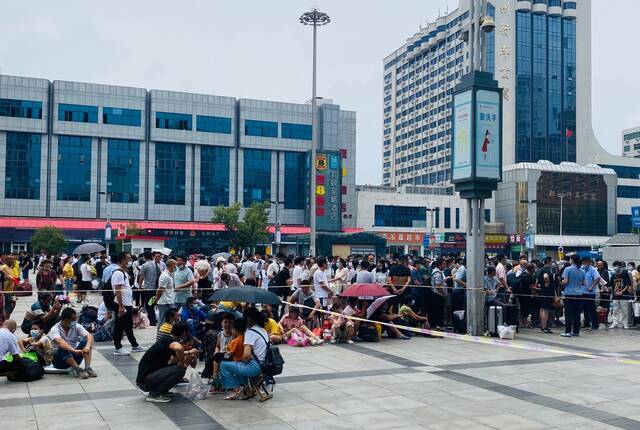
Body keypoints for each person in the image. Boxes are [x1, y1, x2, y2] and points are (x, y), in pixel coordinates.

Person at [136, 321, 199, 403]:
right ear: (184, 333)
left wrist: (189, 353)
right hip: (145, 381)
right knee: (180, 369)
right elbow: (179, 349)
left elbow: (179, 354)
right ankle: (155, 394)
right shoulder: (170, 341)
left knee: (178, 368)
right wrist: (183, 364)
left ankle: (161, 391)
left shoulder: (166, 339)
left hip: (147, 378)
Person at [219, 307, 268, 400]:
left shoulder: (250, 332)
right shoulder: (262, 330)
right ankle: (246, 388)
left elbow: (246, 355)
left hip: (254, 367)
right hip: (264, 365)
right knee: (238, 365)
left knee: (224, 365)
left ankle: (237, 390)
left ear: (248, 319)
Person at [48, 307, 97, 378]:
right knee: (63, 346)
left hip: (74, 357)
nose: (75, 321)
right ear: (65, 320)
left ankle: (87, 368)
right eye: (73, 320)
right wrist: (74, 351)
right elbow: (60, 342)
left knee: (85, 341)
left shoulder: (76, 326)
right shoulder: (55, 329)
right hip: (59, 361)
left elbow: (89, 336)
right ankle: (78, 370)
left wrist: (87, 347)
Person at [111, 252, 144, 355]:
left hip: (126, 304)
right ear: (121, 260)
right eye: (128, 259)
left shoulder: (124, 272)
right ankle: (118, 347)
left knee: (127, 325)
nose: (130, 261)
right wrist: (121, 306)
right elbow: (118, 290)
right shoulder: (118, 273)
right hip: (121, 304)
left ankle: (134, 345)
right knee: (119, 326)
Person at [203, 313, 235, 381]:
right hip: (221, 354)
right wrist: (216, 351)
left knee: (216, 358)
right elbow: (217, 346)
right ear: (221, 323)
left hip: (231, 355)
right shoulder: (220, 334)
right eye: (225, 322)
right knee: (210, 360)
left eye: (230, 322)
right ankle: (213, 378)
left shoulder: (234, 335)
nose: (227, 324)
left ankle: (215, 377)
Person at [561, 254, 587, 337]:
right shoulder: (582, 271)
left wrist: (560, 282)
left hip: (569, 294)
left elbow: (565, 282)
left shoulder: (567, 269)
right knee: (577, 313)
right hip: (579, 294)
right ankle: (576, 331)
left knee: (568, 313)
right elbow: (584, 283)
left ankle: (567, 331)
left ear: (572, 260)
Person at [138, 251, 166, 326]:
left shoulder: (161, 264)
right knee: (153, 305)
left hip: (154, 289)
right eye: (157, 256)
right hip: (153, 290)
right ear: (153, 257)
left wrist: (140, 286)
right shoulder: (150, 265)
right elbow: (141, 277)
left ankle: (155, 320)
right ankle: (155, 321)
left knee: (154, 305)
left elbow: (141, 277)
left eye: (159, 256)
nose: (158, 258)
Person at [535, 257, 557, 334]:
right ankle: (544, 327)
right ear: (549, 262)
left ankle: (542, 326)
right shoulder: (546, 270)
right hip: (546, 293)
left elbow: (537, 281)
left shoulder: (541, 270)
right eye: (552, 262)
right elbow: (545, 277)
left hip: (542, 292)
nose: (552, 264)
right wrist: (547, 284)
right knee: (545, 310)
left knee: (542, 309)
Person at [609, 265, 634, 329]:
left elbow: (628, 284)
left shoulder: (625, 275)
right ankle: (615, 323)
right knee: (615, 310)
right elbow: (611, 285)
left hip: (623, 295)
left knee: (624, 310)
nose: (617, 274)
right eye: (616, 273)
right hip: (615, 295)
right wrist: (613, 291)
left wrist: (622, 291)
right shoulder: (613, 276)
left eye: (618, 273)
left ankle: (624, 323)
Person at [156, 259, 177, 327]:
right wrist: (157, 300)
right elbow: (160, 289)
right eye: (175, 265)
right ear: (171, 265)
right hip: (164, 303)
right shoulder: (165, 276)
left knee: (168, 321)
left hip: (169, 301)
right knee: (162, 321)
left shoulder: (169, 275)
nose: (176, 267)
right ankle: (159, 336)